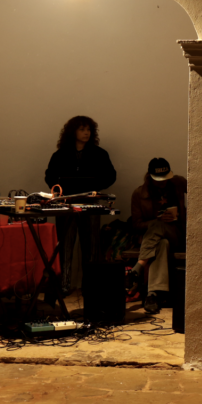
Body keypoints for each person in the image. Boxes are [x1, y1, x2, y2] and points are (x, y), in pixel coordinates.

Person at [45, 115, 117, 294]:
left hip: (90, 203)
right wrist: (60, 190)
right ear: (73, 132)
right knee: (65, 245)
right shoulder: (60, 154)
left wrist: (95, 187)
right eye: (82, 129)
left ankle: (91, 287)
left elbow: (110, 175)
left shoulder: (99, 154)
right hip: (66, 204)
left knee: (91, 246)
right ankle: (63, 285)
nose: (86, 133)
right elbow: (50, 176)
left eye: (89, 130)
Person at [126, 158, 187, 314]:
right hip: (154, 240)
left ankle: (137, 268)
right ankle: (153, 294)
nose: (163, 182)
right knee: (161, 243)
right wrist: (157, 220)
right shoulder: (139, 194)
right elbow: (136, 225)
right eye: (159, 179)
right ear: (150, 176)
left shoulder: (178, 184)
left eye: (165, 178)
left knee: (159, 228)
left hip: (177, 234)